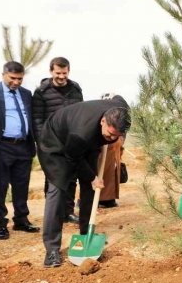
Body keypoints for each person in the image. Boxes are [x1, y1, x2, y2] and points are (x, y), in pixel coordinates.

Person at [37, 97, 130, 267]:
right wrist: (93, 178)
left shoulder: (121, 110)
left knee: (90, 190)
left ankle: (87, 233)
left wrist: (92, 180)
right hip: (56, 143)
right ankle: (51, 249)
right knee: (58, 190)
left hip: (88, 143)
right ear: (103, 121)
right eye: (109, 134)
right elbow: (73, 158)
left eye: (115, 137)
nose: (110, 139)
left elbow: (118, 98)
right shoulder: (81, 132)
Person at [0, 62, 39, 240]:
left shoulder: (26, 94)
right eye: (12, 78)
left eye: (20, 78)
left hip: (23, 145)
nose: (16, 82)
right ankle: (0, 223)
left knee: (21, 185)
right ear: (3, 75)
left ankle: (21, 219)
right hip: (1, 146)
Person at [32, 57, 84, 224]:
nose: (62, 76)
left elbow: (80, 114)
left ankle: (67, 212)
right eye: (58, 73)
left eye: (65, 73)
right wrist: (42, 142)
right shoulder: (41, 92)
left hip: (71, 142)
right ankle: (53, 214)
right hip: (51, 143)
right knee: (53, 179)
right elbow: (37, 120)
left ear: (69, 71)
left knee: (71, 178)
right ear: (51, 71)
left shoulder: (75, 89)